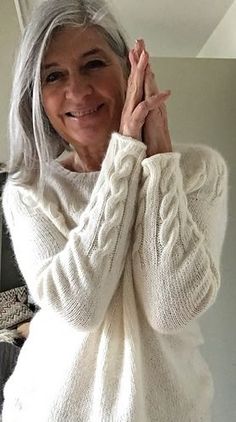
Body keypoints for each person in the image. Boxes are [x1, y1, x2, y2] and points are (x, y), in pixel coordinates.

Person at [1, 0, 228, 421]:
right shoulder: (29, 191)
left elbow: (171, 307)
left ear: (129, 70)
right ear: (38, 97)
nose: (78, 91)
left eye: (93, 64)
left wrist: (158, 160)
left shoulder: (198, 171)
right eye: (53, 75)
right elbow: (79, 308)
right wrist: (125, 154)